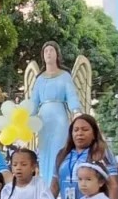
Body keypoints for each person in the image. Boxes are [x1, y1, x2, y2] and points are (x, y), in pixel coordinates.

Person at [24, 41, 83, 188]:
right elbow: (34, 102)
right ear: (43, 56)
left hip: (59, 118)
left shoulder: (65, 76)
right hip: (43, 120)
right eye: (46, 51)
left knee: (59, 149)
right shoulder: (40, 79)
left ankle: (59, 186)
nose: (48, 53)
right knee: (44, 152)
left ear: (57, 54)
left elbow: (72, 96)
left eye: (51, 50)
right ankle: (46, 186)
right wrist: (26, 119)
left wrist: (76, 112)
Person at [51, 114, 118, 199]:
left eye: (85, 129)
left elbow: (113, 185)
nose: (80, 133)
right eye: (76, 130)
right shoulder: (62, 154)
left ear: (94, 134)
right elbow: (54, 186)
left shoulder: (102, 152)